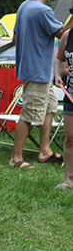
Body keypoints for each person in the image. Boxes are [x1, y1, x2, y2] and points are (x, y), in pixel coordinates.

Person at [10, 0, 73, 168]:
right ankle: (16, 157)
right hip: (37, 71)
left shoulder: (24, 6)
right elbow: (63, 34)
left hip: (35, 70)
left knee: (49, 108)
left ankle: (44, 151)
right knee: (29, 114)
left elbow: (14, 38)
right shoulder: (42, 10)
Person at [53, 27, 73, 189]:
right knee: (70, 138)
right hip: (71, 94)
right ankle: (68, 180)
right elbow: (59, 58)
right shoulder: (68, 35)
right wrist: (57, 74)